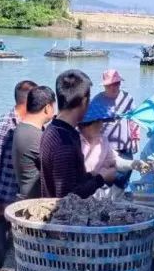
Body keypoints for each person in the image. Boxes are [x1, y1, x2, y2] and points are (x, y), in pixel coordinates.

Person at [0, 80, 37, 267]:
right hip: (1, 203)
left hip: (21, 205)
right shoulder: (5, 126)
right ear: (27, 102)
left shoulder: (34, 127)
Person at [40, 70, 117, 198]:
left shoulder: (52, 129)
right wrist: (101, 178)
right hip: (61, 216)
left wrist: (92, 175)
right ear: (84, 101)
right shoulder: (64, 143)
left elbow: (73, 178)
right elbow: (68, 197)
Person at [13, 85, 56, 200]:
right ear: (47, 108)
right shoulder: (35, 136)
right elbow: (55, 168)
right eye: (53, 107)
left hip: (25, 195)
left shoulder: (22, 127)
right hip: (33, 203)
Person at [79, 106, 122, 199]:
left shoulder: (103, 140)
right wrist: (99, 174)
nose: (101, 125)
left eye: (102, 122)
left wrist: (133, 164)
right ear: (85, 125)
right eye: (97, 122)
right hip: (80, 191)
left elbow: (113, 161)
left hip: (98, 191)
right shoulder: (74, 141)